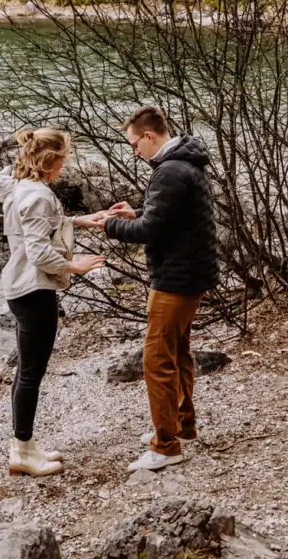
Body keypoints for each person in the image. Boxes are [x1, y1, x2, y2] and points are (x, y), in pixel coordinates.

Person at [91, 106, 219, 472]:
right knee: (177, 351)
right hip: (193, 274)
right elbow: (168, 218)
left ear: (150, 135)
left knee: (157, 358)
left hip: (176, 279)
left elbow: (150, 231)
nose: (134, 152)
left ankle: (165, 446)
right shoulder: (186, 162)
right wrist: (135, 213)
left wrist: (108, 226)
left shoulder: (170, 170)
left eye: (135, 144)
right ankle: (183, 426)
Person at [0, 128, 109, 477]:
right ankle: (22, 451)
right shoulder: (38, 195)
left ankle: (24, 447)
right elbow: (39, 252)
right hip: (33, 290)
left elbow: (43, 226)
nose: (64, 165)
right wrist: (76, 266)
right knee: (31, 374)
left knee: (26, 372)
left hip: (20, 288)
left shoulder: (17, 185)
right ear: (49, 160)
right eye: (62, 159)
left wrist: (81, 221)